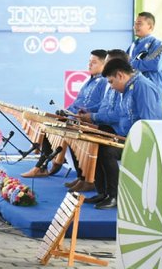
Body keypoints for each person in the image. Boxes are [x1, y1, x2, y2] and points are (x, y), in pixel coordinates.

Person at [21, 49, 108, 181]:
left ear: (104, 65)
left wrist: (81, 113)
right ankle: (45, 165)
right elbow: (77, 103)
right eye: (89, 62)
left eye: (94, 63)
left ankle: (50, 166)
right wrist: (65, 111)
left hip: (87, 122)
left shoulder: (105, 82)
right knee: (47, 124)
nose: (89, 65)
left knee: (59, 127)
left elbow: (102, 106)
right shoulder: (89, 82)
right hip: (75, 118)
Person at [90, 58, 162, 209]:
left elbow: (148, 123)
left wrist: (128, 140)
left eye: (111, 82)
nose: (111, 87)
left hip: (143, 142)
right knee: (97, 141)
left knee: (107, 151)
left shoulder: (142, 87)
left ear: (120, 75)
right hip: (125, 136)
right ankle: (103, 192)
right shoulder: (129, 87)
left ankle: (114, 196)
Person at [128, 11, 162, 92]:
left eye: (139, 24)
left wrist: (131, 64)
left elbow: (155, 65)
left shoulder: (158, 44)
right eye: (135, 23)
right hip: (134, 89)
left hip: (150, 90)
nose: (135, 26)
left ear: (150, 27)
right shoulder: (133, 45)